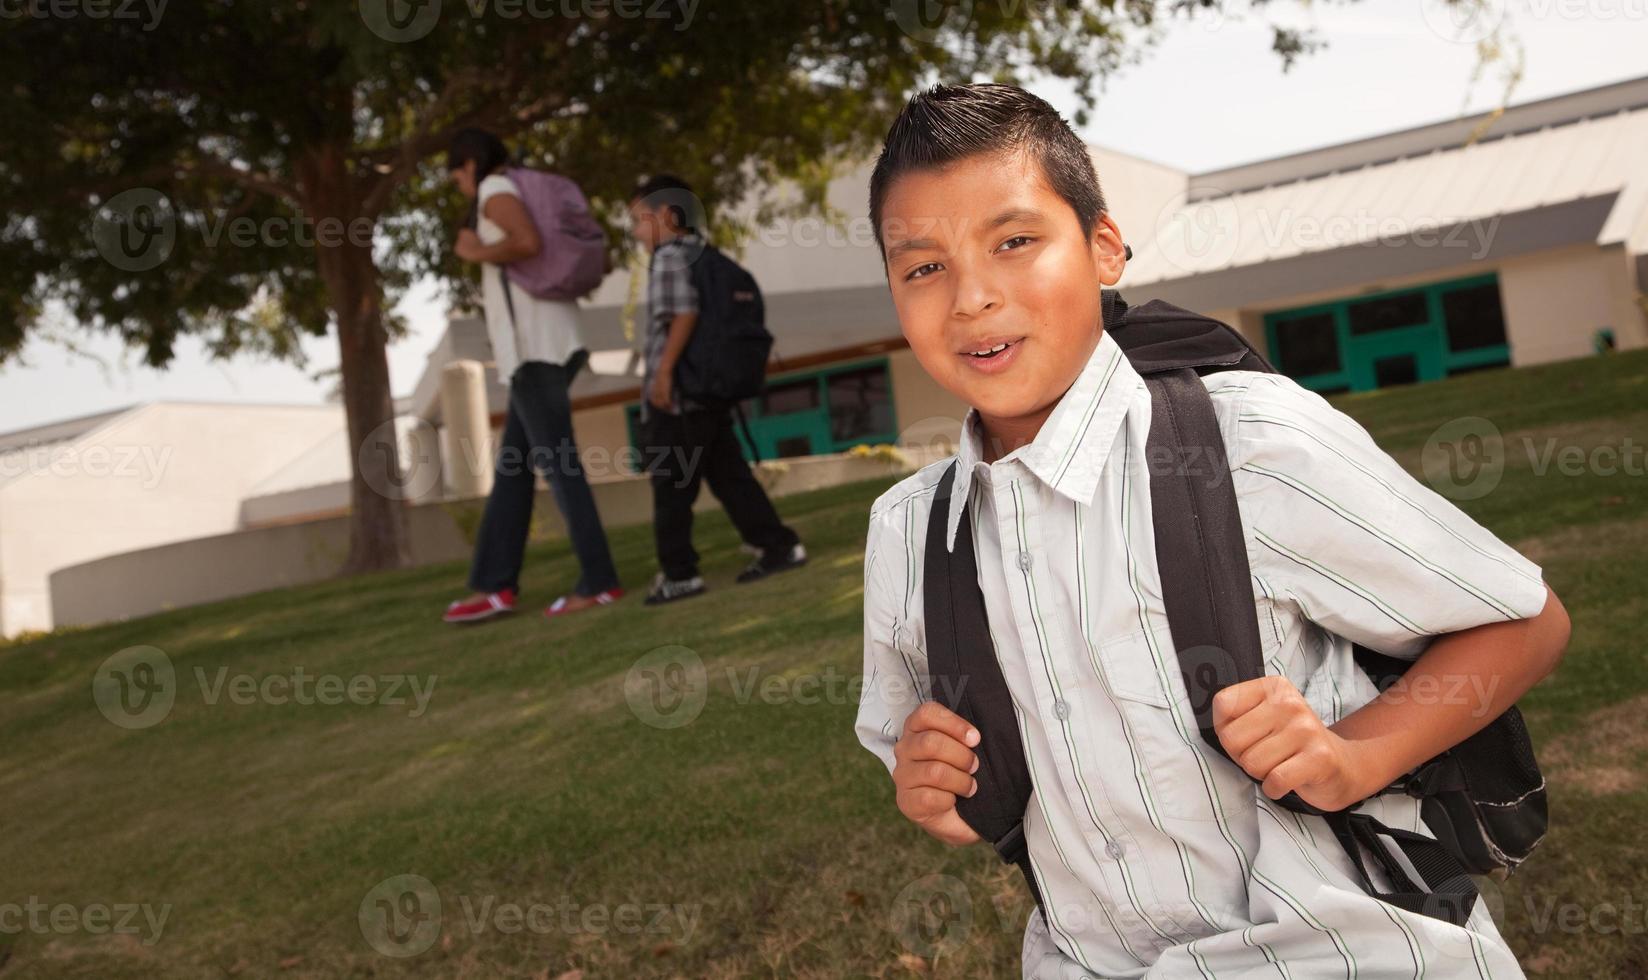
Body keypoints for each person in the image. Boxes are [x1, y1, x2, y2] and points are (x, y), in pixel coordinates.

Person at [854, 83, 1573, 978]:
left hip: (1345, 952)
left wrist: (1354, 755)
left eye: (1015, 242)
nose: (971, 297)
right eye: (922, 266)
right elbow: (961, 788)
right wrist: (934, 787)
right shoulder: (912, 535)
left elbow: (1525, 620)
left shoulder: (1248, 444)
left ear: (1105, 247)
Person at [441, 128, 623, 624]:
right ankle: (495, 585)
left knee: (561, 468)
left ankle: (600, 581)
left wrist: (474, 251)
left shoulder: (495, 191)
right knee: (514, 469)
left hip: (535, 350)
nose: (456, 182)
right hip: (550, 343)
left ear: (471, 163)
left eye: (455, 171)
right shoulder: (512, 186)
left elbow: (526, 241)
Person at [626, 174, 807, 606]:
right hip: (708, 393)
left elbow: (681, 315)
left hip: (681, 397)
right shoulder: (708, 258)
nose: (634, 232)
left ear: (668, 216)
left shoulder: (670, 257)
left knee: (671, 486)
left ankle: (679, 573)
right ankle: (779, 546)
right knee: (729, 477)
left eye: (639, 220)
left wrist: (663, 376)